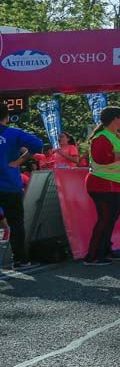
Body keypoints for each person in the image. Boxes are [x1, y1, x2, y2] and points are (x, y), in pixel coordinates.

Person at [84, 106, 120, 266]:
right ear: (115, 119)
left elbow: (119, 161)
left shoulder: (114, 135)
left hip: (113, 183)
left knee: (110, 219)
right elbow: (101, 158)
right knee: (105, 219)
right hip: (102, 184)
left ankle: (105, 250)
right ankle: (93, 256)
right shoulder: (101, 137)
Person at [0, 103, 44, 268]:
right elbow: (38, 145)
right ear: (7, 117)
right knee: (16, 222)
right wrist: (19, 161)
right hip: (10, 185)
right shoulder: (13, 133)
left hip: (9, 185)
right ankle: (20, 260)